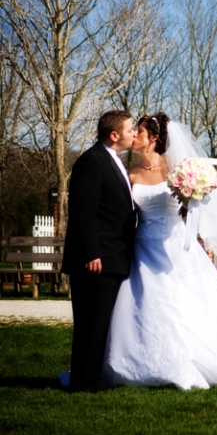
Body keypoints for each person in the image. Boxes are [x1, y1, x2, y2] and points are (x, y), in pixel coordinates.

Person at [103, 113, 217, 390]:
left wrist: (198, 190)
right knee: (145, 302)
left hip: (177, 247)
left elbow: (206, 193)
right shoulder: (131, 174)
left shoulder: (178, 168)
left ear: (153, 138)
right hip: (144, 247)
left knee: (181, 301)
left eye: (140, 132)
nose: (135, 136)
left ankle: (193, 359)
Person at [61, 110, 137, 393]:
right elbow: (83, 213)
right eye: (130, 129)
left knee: (100, 322)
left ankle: (92, 377)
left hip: (113, 256)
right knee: (91, 323)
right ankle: (85, 382)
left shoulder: (113, 160)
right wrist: (91, 253)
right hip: (96, 259)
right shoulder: (92, 161)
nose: (134, 133)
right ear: (114, 135)